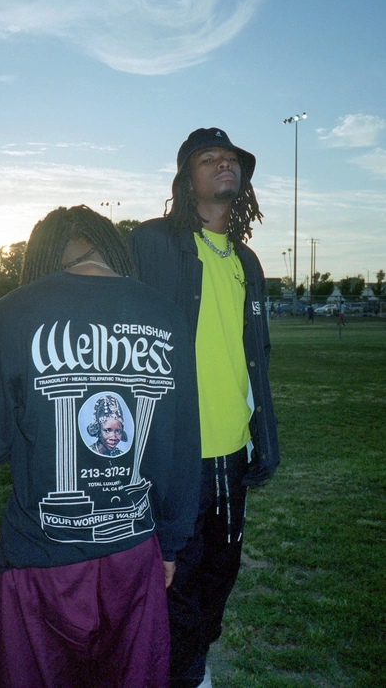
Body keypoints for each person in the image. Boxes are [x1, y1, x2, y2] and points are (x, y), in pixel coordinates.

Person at [0, 205, 201, 688]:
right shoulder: (166, 315)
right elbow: (181, 448)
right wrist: (172, 543)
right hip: (133, 554)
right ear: (113, 248)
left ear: (43, 253)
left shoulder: (14, 311)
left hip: (41, 559)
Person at [128, 128, 280, 688]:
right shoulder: (151, 244)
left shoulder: (247, 260)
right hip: (172, 453)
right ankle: (179, 673)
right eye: (208, 158)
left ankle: (191, 665)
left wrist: (264, 434)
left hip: (231, 451)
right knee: (171, 578)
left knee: (220, 572)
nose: (224, 164)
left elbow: (255, 355)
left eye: (231, 159)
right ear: (185, 179)